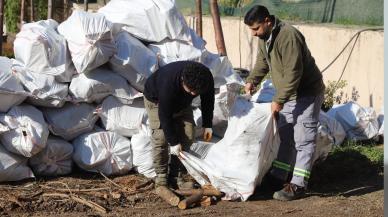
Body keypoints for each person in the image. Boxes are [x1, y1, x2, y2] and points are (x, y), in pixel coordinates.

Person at [243, 5, 325, 201]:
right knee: (286, 135)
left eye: (256, 29)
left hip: (306, 93)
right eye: (251, 30)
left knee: (303, 139)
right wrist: (252, 80)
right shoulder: (265, 38)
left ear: (268, 21)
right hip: (289, 93)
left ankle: (298, 184)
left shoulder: (288, 36)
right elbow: (262, 63)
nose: (253, 34)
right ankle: (279, 176)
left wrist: (279, 100)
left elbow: (293, 73)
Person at [143, 60, 214, 204]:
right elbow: (165, 116)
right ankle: (161, 178)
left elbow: (208, 101)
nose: (194, 94)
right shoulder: (168, 83)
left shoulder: (206, 79)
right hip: (157, 101)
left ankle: (177, 176)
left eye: (196, 92)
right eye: (191, 91)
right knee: (161, 138)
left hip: (182, 103)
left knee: (188, 135)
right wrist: (173, 142)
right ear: (183, 80)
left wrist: (207, 125)